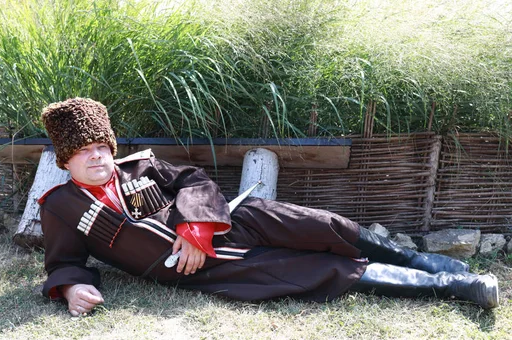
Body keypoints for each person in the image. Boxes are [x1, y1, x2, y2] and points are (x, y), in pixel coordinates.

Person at [38, 97, 500, 316]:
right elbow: (65, 262)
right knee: (317, 270)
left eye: (101, 145)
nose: (97, 155)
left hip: (227, 222)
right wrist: (72, 288)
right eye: (84, 151)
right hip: (203, 268)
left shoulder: (141, 165)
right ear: (66, 160)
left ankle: (458, 273)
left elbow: (194, 181)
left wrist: (194, 228)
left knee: (325, 226)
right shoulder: (61, 205)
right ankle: (459, 289)